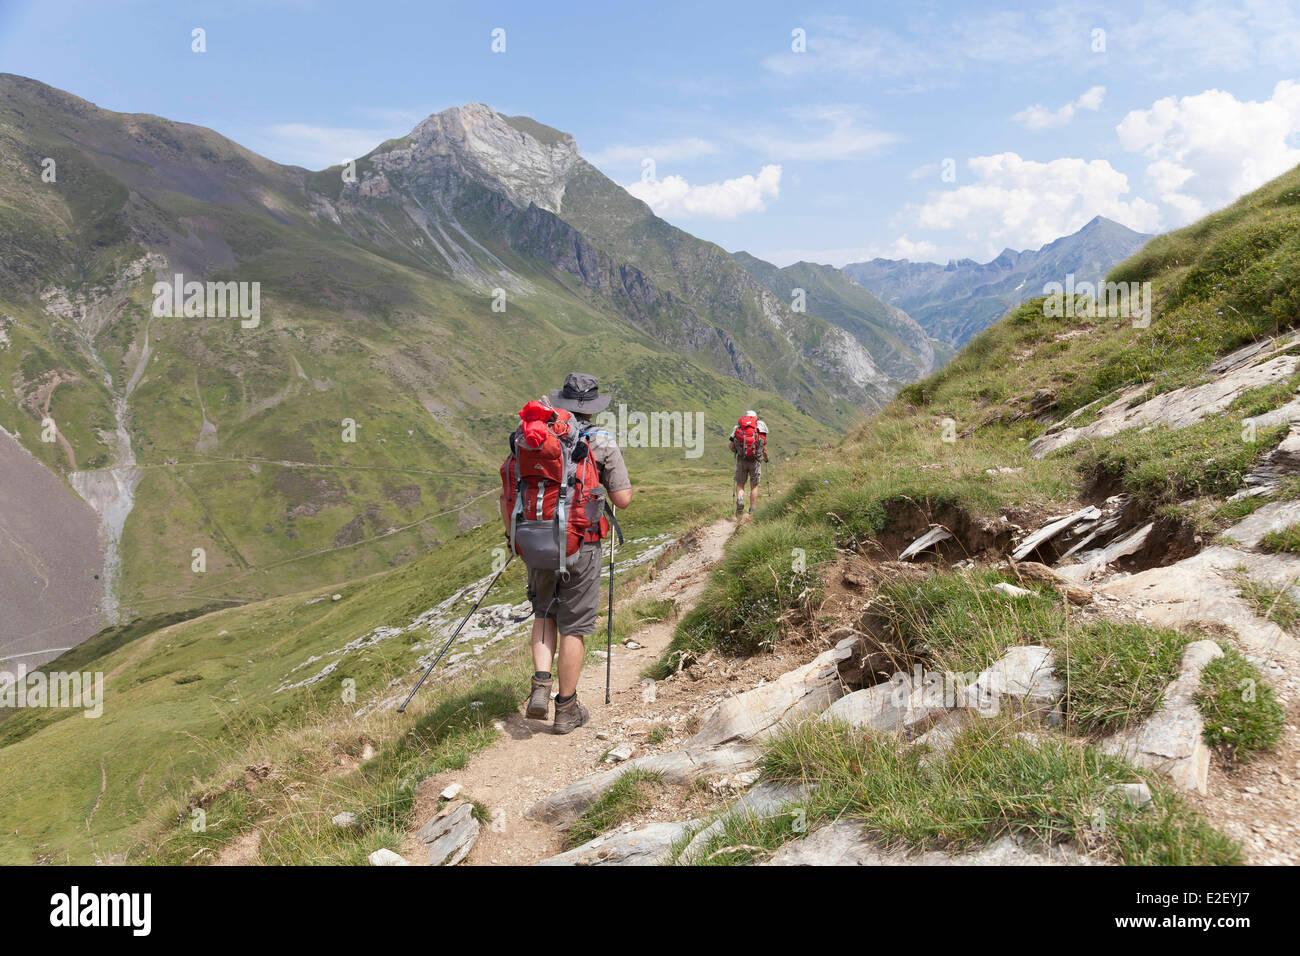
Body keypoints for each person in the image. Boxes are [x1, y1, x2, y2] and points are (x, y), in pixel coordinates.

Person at [501, 373, 633, 734]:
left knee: (544, 613)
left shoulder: (532, 439)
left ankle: (540, 687)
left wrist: (514, 539)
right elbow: (623, 499)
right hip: (582, 546)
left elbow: (509, 490)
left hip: (537, 542)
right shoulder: (601, 441)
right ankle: (566, 710)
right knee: (574, 627)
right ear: (591, 408)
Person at [729, 409, 768, 516]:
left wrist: (738, 450)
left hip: (742, 459)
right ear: (755, 417)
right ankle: (752, 510)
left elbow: (731, 446)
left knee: (740, 484)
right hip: (755, 461)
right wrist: (765, 458)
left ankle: (740, 499)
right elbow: (763, 447)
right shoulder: (760, 427)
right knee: (754, 486)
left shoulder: (738, 427)